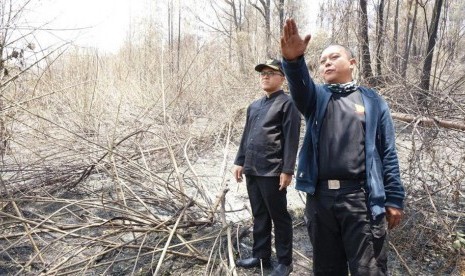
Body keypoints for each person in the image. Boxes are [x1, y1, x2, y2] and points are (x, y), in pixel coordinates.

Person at [279, 19, 405, 276]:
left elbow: (388, 152)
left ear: (352, 63)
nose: (327, 62)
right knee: (326, 269)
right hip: (321, 200)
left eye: (334, 57)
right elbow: (300, 89)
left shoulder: (372, 101)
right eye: (323, 59)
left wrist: (394, 198)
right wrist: (293, 63)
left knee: (368, 269)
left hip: (360, 199)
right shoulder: (317, 98)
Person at [233, 59, 301, 276]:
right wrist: (239, 161)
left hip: (273, 171)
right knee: (259, 214)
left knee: (279, 216)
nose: (265, 76)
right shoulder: (254, 106)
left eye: (271, 72)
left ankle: (284, 262)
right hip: (253, 168)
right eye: (262, 73)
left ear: (282, 78)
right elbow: (247, 137)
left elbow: (291, 139)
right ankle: (261, 256)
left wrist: (288, 170)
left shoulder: (288, 104)